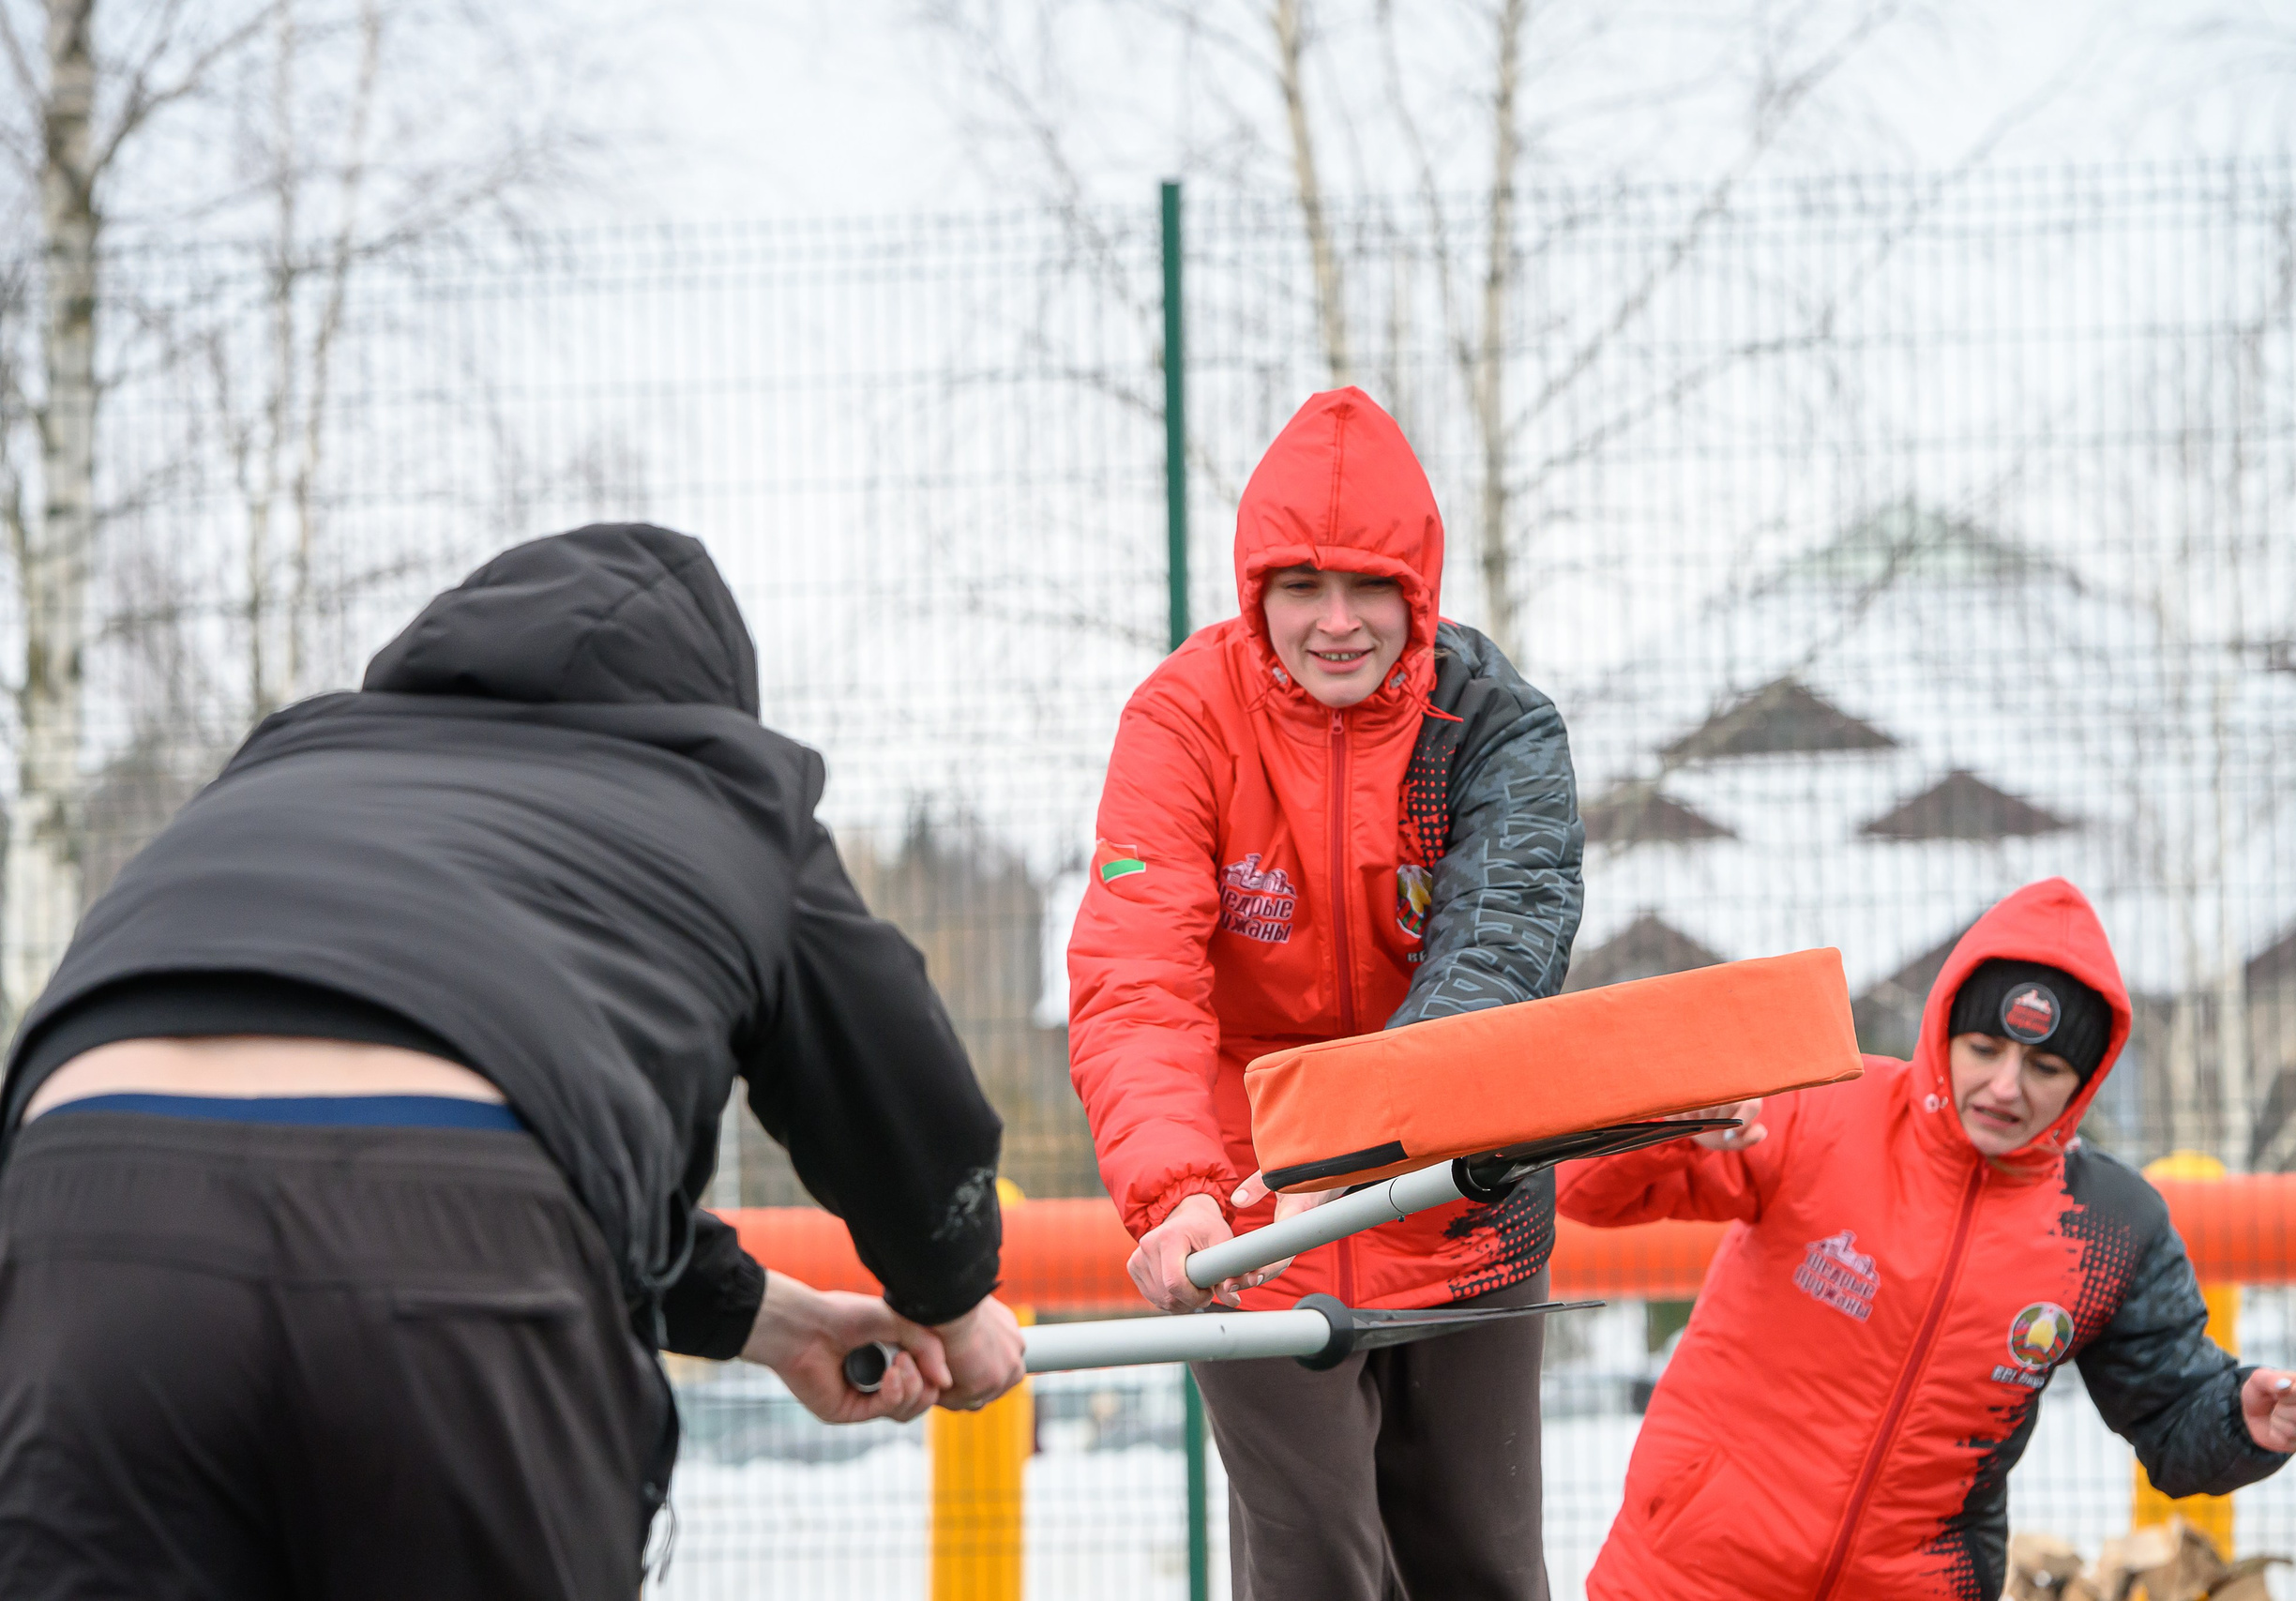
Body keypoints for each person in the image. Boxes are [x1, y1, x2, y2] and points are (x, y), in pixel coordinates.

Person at [0, 524, 1026, 1601]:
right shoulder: (723, 792)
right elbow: (892, 1080)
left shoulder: (295, 756)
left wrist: (774, 1323)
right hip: (450, 1228)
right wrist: (952, 1299)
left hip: (76, 1213)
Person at [1067, 387, 1585, 1600]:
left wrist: (1393, 1125)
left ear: (1423, 588)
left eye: (1371, 588)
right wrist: (1175, 1191)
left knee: (1480, 1558)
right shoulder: (1184, 717)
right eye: (1302, 586)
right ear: (1256, 592)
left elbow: (1498, 949)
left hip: (1459, 1175)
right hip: (1254, 1201)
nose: (1337, 623)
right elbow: (1137, 974)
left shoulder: (1493, 726)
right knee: (1313, 1559)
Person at [1558, 877, 2296, 1601]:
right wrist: (1673, 1125)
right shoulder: (1825, 1107)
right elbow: (1582, 1192)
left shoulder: (2109, 1228)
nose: (2006, 1086)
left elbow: (2172, 1412)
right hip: (1689, 1570)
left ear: (2084, 1080)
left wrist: (2242, 1419)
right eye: (1986, 1049)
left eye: (2045, 1065)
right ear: (1946, 1030)